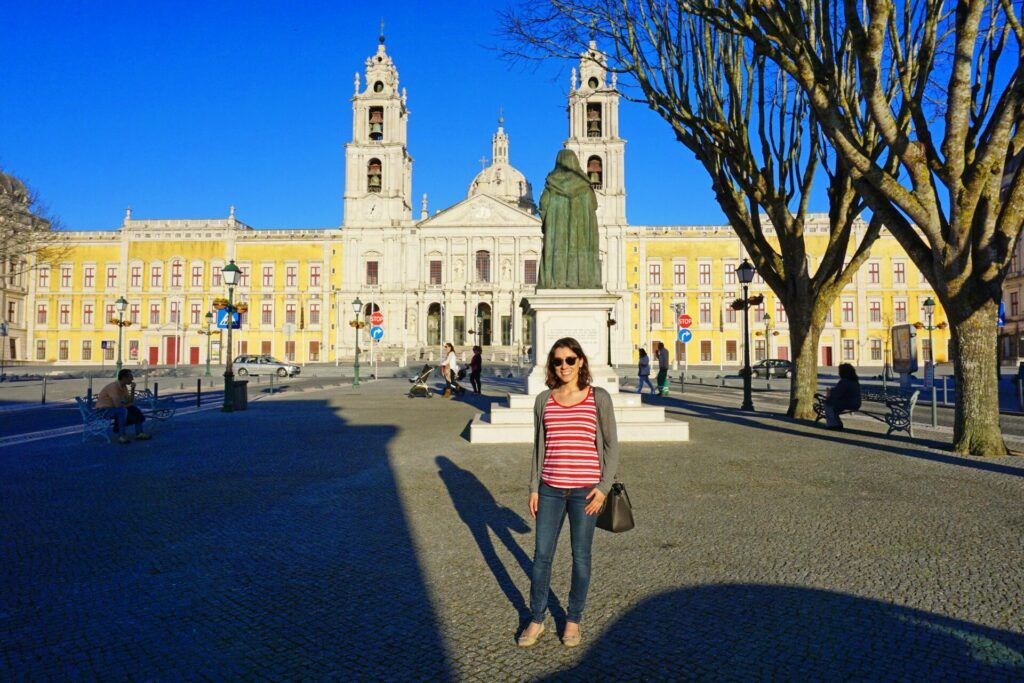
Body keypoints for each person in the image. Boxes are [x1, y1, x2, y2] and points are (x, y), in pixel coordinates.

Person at [518, 337, 619, 649]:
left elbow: (611, 445)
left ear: (581, 362)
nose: (564, 366)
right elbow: (539, 447)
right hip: (550, 488)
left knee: (581, 557)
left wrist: (602, 489)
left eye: (570, 360)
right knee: (541, 557)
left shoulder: (598, 398)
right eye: (558, 361)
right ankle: (536, 618)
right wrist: (534, 487)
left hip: (585, 492)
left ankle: (573, 618)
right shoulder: (544, 400)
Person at [95, 369, 150, 444]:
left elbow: (130, 401)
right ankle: (121, 436)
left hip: (113, 408)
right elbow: (117, 405)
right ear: (124, 378)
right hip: (103, 410)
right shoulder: (113, 387)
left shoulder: (124, 387)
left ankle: (139, 433)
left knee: (134, 409)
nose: (132, 379)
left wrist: (133, 389)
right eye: (130, 377)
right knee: (123, 411)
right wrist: (127, 404)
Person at [824, 363, 862, 430]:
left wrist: (830, 392)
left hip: (849, 403)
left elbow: (837, 394)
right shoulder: (854, 381)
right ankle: (837, 423)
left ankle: (833, 424)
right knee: (833, 404)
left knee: (828, 403)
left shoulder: (844, 381)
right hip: (856, 403)